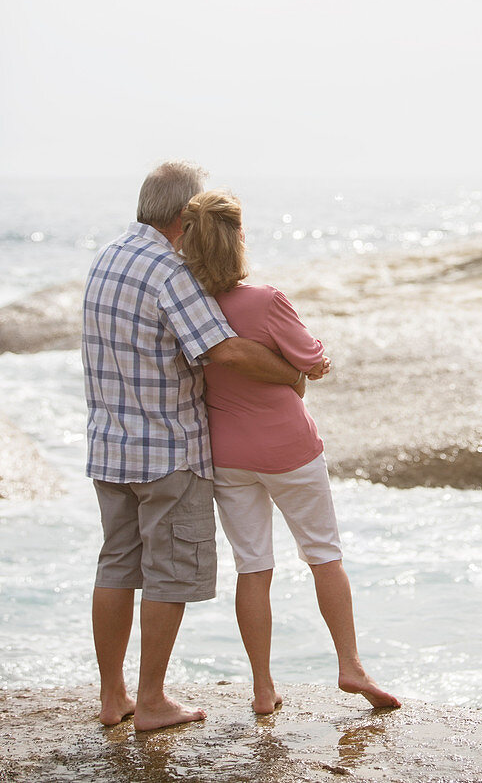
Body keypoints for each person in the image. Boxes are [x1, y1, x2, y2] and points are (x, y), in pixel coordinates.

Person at [82, 161, 328, 732]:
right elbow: (227, 350)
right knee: (168, 576)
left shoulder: (107, 257)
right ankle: (150, 701)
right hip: (167, 452)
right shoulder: (170, 270)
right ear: (182, 216)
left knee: (116, 567)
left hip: (109, 448)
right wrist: (294, 375)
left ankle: (111, 695)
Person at [179, 189, 400, 714]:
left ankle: (262, 687)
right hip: (289, 448)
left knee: (253, 567)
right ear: (237, 239)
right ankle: (350, 666)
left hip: (228, 455)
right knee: (323, 554)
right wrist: (304, 366)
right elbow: (312, 357)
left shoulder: (188, 307)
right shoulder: (265, 299)